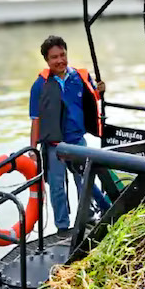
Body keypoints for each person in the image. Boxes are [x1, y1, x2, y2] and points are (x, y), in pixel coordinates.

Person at [29, 35, 111, 233]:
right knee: (57, 187)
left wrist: (100, 91)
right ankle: (62, 227)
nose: (60, 60)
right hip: (54, 146)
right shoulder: (40, 85)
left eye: (62, 55)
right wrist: (32, 149)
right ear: (47, 60)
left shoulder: (80, 77)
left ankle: (89, 218)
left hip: (77, 141)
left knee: (84, 182)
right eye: (54, 57)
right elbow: (35, 119)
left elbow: (92, 97)